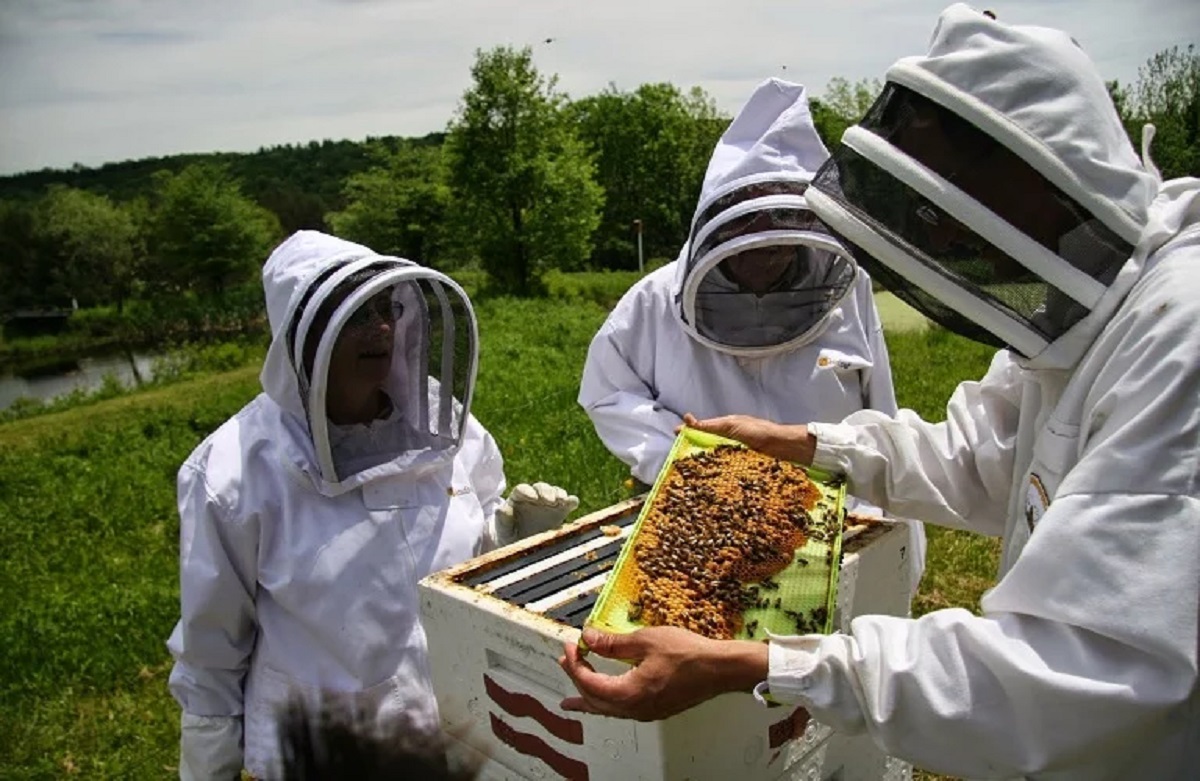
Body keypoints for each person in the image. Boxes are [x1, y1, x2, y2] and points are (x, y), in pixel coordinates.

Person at [559, 5, 1199, 779]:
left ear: (1032, 167)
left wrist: (766, 662)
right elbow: (982, 455)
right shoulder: (1098, 307)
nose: (950, 237)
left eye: (950, 197)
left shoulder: (1179, 336)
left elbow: (1085, 672)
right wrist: (812, 446)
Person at [167, 231, 579, 780]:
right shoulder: (232, 472)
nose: (381, 328)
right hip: (332, 753)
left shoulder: (440, 423)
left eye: (386, 307)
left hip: (468, 727)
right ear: (304, 335)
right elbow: (210, 660)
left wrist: (518, 533)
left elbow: (464, 566)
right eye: (357, 314)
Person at [578, 77, 926, 589]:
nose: (766, 251)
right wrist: (687, 462)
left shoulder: (847, 292)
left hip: (834, 525)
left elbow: (881, 410)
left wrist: (889, 542)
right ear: (717, 224)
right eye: (750, 231)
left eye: (780, 228)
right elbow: (607, 391)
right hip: (702, 530)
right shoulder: (654, 301)